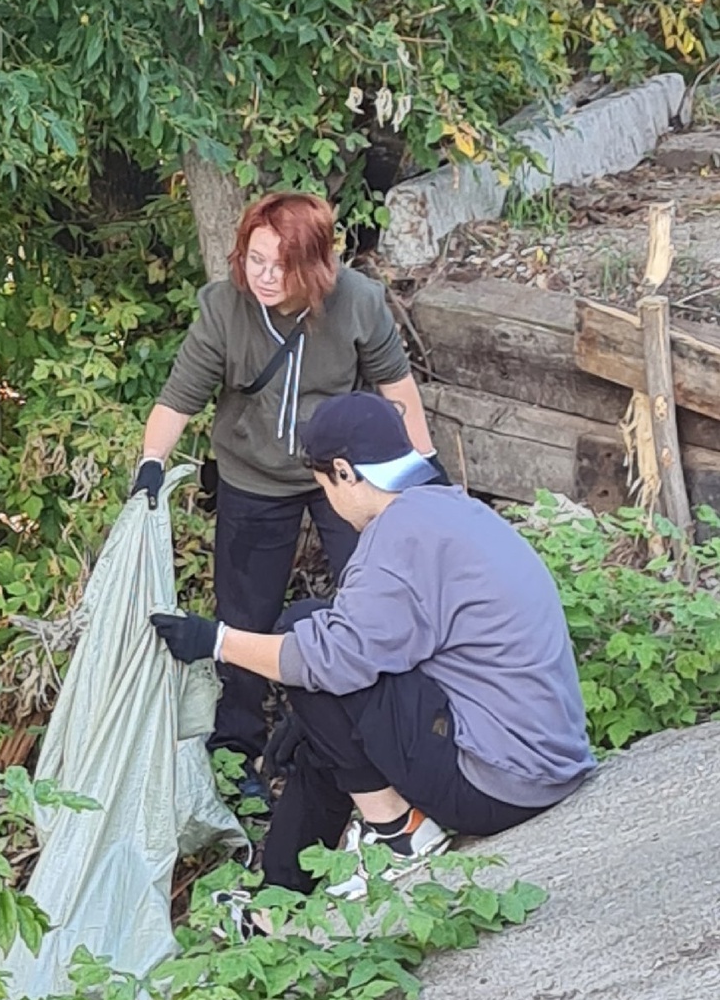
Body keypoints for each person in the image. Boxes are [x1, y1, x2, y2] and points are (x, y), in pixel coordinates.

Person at [150, 391, 593, 900]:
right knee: (319, 732)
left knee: (306, 632)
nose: (331, 505)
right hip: (542, 761)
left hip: (497, 785)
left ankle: (399, 834)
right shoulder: (451, 509)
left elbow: (330, 658)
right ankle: (279, 899)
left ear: (343, 472)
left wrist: (215, 641)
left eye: (324, 487)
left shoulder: (398, 535)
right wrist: (315, 721)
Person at [132, 192, 438, 788]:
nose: (265, 277)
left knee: (374, 594)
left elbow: (397, 390)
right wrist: (150, 463)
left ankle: (380, 727)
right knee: (244, 613)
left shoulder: (358, 302)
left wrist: (422, 471)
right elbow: (178, 399)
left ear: (316, 265)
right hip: (252, 475)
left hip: (343, 477)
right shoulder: (224, 308)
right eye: (255, 260)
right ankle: (237, 748)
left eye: (282, 265)